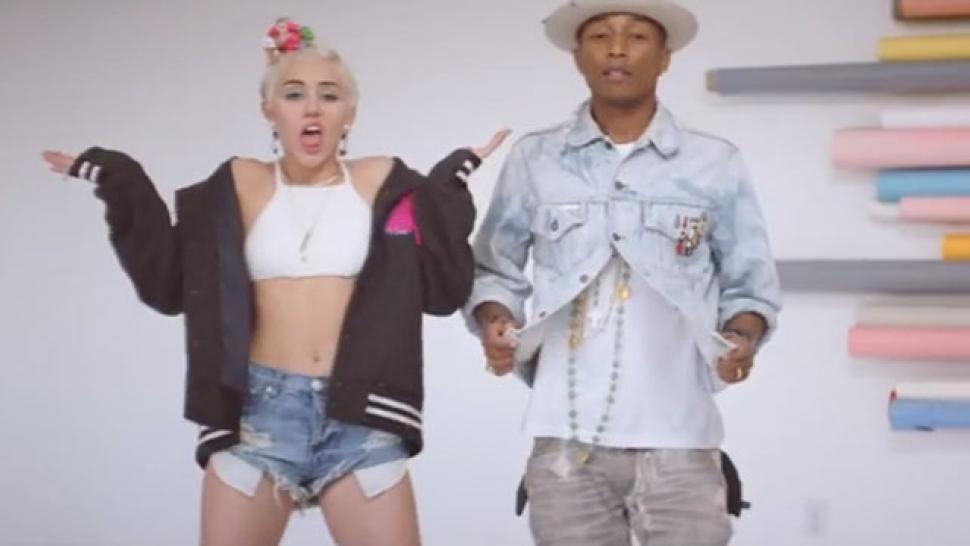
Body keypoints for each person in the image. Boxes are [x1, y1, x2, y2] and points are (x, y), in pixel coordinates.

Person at [43, 17, 507, 546]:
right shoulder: (240, 183)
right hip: (255, 415)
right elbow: (169, 284)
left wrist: (445, 193)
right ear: (269, 108)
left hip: (364, 416)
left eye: (329, 95)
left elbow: (443, 290)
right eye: (294, 94)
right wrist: (122, 182)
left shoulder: (385, 182)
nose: (312, 108)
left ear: (349, 113)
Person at [464, 1, 781, 544]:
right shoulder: (535, 159)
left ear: (664, 57)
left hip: (681, 439)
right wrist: (496, 323)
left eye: (636, 36)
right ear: (577, 56)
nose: (616, 49)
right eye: (599, 36)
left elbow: (749, 284)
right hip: (565, 441)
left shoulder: (714, 162)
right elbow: (494, 268)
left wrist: (741, 339)